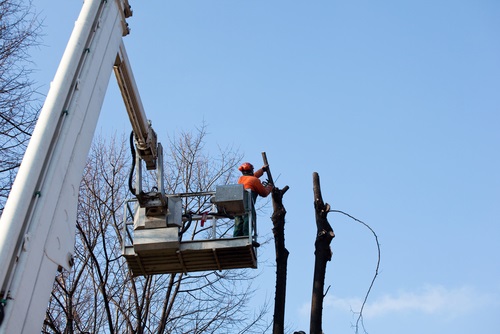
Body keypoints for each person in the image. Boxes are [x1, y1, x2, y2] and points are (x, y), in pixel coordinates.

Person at [233, 162, 273, 237]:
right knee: (249, 218)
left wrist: (262, 170)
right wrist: (269, 187)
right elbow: (264, 193)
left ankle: (236, 237)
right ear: (251, 170)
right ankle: (246, 237)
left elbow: (252, 177)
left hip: (238, 204)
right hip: (248, 203)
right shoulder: (255, 180)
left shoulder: (241, 179)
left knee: (238, 221)